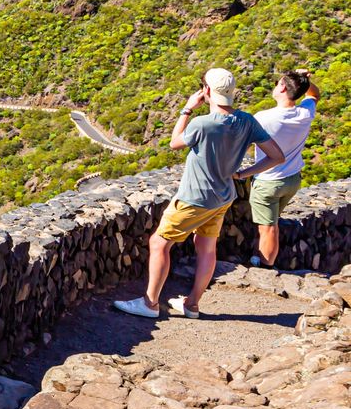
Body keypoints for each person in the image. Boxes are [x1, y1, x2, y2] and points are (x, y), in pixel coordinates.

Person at [114, 68, 285, 320]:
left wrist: (187, 109)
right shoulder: (247, 121)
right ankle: (192, 305)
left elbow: (175, 143)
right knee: (206, 248)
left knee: (159, 243)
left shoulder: (202, 124)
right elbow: (277, 156)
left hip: (194, 197)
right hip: (223, 196)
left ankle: (149, 304)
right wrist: (242, 174)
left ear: (206, 91)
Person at [234, 70, 320, 267]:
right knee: (270, 222)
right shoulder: (305, 113)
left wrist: (239, 172)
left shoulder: (263, 118)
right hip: (292, 179)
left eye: (277, 82)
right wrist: (307, 81)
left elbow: (240, 144)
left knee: (268, 228)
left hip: (268, 181)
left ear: (282, 87)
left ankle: (265, 266)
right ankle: (258, 255)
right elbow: (314, 95)